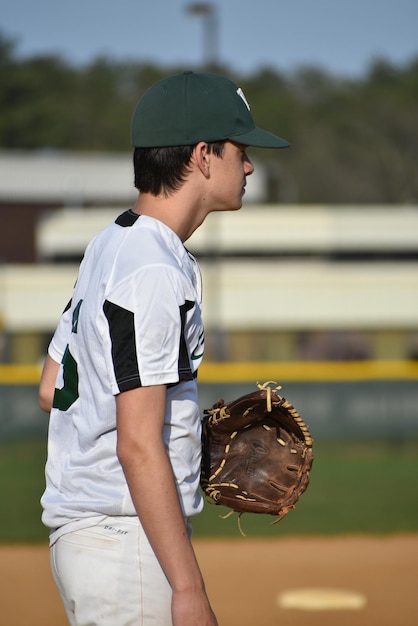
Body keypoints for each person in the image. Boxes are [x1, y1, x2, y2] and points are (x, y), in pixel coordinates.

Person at [39, 70, 289, 626]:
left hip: (92, 536)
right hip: (127, 540)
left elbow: (48, 387)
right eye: (239, 150)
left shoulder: (111, 242)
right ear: (203, 155)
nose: (248, 166)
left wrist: (185, 437)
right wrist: (187, 588)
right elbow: (136, 443)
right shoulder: (155, 268)